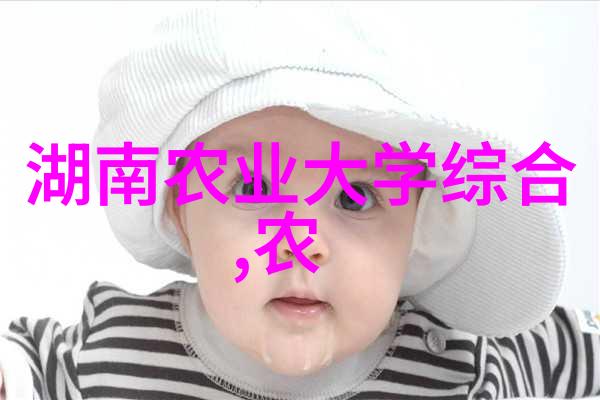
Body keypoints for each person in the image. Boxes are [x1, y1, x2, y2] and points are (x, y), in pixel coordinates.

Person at [0, 3, 598, 399]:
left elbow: (572, 346)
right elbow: (27, 363)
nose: (301, 243)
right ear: (179, 213)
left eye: (356, 196)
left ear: (419, 225)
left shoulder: (462, 363)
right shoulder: (119, 351)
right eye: (252, 188)